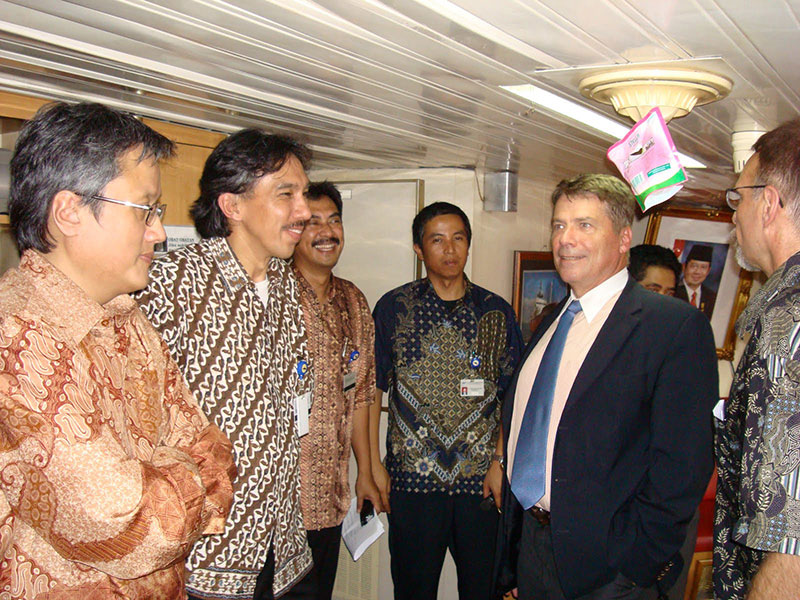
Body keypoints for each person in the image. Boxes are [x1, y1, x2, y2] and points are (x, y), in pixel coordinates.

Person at [0, 101, 235, 598]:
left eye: (158, 212)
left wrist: (159, 475)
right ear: (69, 212)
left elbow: (213, 450)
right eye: (145, 210)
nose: (158, 233)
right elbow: (135, 526)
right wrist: (175, 472)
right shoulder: (18, 338)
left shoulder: (126, 315)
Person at [496, 174, 718, 599]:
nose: (565, 239)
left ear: (623, 239)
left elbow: (684, 466)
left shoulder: (672, 327)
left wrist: (634, 562)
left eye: (584, 225)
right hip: (535, 550)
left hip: (611, 569)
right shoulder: (551, 321)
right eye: (559, 225)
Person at [134, 129, 313, 600]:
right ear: (232, 206)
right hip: (206, 554)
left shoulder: (289, 286)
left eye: (305, 193)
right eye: (286, 195)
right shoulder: (171, 284)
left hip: (282, 547)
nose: (305, 211)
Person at [371, 201, 523, 600]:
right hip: (413, 483)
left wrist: (499, 462)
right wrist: (371, 466)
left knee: (482, 589)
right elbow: (372, 392)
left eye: (458, 239)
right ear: (419, 250)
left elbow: (513, 394)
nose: (450, 250)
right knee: (413, 589)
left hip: (480, 485)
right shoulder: (394, 308)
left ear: (469, 245)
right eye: (437, 240)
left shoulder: (495, 312)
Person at [714, 118, 800, 599]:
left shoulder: (789, 322)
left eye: (737, 198)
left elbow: (793, 544)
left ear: (768, 204)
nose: (733, 215)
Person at [286, 181, 382, 600]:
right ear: (294, 230)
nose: (326, 232)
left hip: (331, 498)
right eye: (312, 222)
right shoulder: (276, 295)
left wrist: (367, 470)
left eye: (334, 220)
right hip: (281, 504)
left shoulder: (354, 300)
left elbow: (361, 393)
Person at [629, 243, 701, 600]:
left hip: (656, 530)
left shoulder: (683, 345)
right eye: (652, 291)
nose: (663, 302)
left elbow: (686, 457)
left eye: (670, 293)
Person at [674, 244, 717, 318]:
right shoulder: (673, 291)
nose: (697, 272)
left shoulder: (712, 297)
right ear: (684, 267)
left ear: (708, 271)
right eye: (694, 266)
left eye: (703, 267)